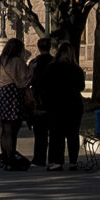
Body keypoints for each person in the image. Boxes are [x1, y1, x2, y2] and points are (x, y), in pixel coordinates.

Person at [38, 39, 87, 170]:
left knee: (56, 134)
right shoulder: (76, 69)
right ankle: (73, 162)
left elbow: (43, 85)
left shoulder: (52, 68)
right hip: (74, 105)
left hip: (56, 105)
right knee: (73, 134)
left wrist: (45, 102)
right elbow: (81, 87)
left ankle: (58, 161)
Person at [0, 36, 32, 169]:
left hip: (0, 95)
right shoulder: (17, 61)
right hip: (12, 94)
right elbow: (24, 79)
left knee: (5, 129)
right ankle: (11, 157)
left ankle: (5, 157)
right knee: (13, 129)